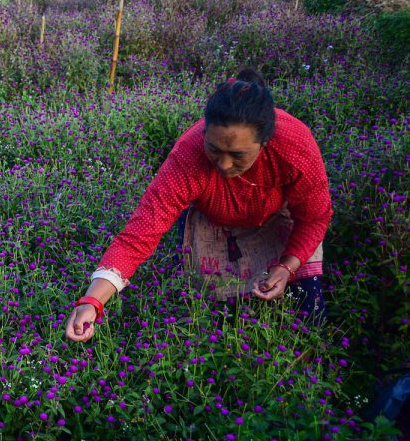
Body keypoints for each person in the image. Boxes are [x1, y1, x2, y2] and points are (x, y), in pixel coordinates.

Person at [66, 68, 332, 342]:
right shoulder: (188, 155)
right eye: (214, 150)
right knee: (220, 325)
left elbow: (314, 217)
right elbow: (139, 235)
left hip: (275, 217)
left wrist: (286, 266)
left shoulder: (294, 145)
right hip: (215, 224)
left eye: (238, 155)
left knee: (306, 314)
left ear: (264, 143)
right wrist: (92, 302)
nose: (224, 164)